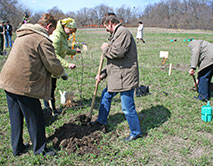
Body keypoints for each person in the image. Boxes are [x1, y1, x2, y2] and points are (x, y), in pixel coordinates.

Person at [0, 13, 67, 156]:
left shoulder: (23, 33)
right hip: (23, 84)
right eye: (52, 30)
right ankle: (40, 150)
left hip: (8, 80)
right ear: (48, 26)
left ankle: (17, 148)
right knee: (35, 117)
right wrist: (62, 73)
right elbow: (53, 64)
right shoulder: (41, 39)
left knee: (15, 117)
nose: (51, 33)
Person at [90, 13, 142, 141]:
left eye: (105, 27)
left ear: (110, 24)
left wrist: (105, 49)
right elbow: (114, 62)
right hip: (117, 76)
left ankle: (135, 132)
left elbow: (117, 53)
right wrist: (103, 74)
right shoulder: (117, 34)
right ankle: (101, 121)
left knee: (127, 107)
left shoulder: (123, 32)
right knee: (106, 95)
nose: (106, 30)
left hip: (125, 77)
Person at [43, 17, 81, 116]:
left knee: (53, 87)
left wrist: (74, 51)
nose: (70, 33)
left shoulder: (63, 36)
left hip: (55, 66)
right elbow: (54, 55)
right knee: (49, 90)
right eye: (70, 31)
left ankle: (53, 109)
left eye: (72, 32)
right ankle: (50, 110)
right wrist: (67, 64)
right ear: (65, 27)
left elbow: (64, 50)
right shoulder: (56, 36)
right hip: (50, 66)